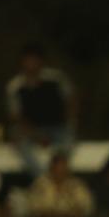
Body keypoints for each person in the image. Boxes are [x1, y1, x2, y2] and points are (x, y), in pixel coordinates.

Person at [5, 44, 77, 176]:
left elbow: (70, 101)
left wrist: (68, 121)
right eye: (28, 60)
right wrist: (36, 135)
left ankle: (60, 173)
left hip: (57, 127)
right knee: (16, 137)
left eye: (34, 59)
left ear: (41, 61)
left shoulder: (56, 78)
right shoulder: (15, 86)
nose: (31, 64)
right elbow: (15, 116)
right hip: (30, 130)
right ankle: (43, 177)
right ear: (22, 62)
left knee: (68, 139)